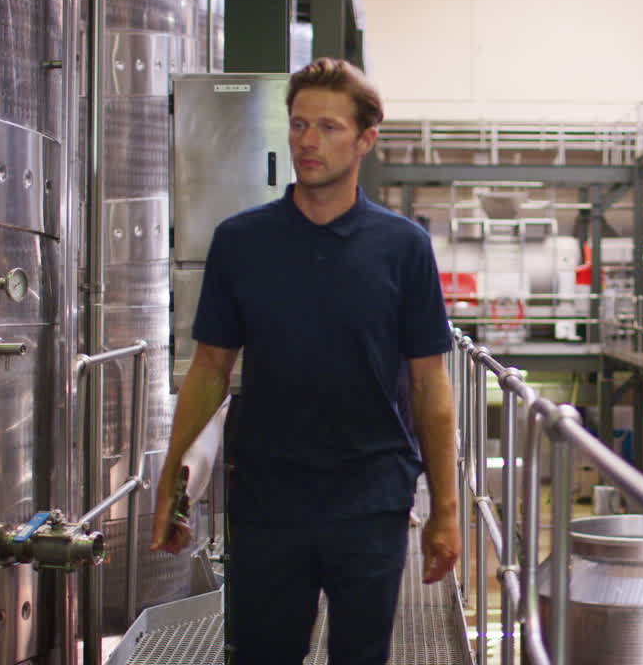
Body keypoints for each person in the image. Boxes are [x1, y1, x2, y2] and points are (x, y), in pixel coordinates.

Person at [150, 58, 461, 664]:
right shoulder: (241, 242)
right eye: (298, 124)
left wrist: (444, 509)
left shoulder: (404, 248)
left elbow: (430, 384)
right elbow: (210, 368)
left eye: (328, 127)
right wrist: (170, 477)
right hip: (269, 497)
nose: (307, 141)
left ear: (366, 139)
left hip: (372, 497)